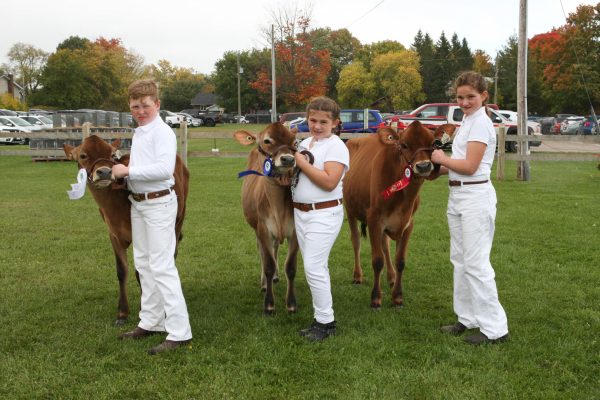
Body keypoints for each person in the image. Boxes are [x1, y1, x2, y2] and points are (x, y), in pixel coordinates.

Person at [112, 79, 192, 355]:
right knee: (143, 263)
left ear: (157, 104)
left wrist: (127, 172)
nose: (140, 110)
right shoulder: (140, 133)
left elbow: (164, 170)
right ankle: (152, 321)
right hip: (139, 203)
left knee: (161, 266)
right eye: (135, 106)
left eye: (145, 105)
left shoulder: (163, 133)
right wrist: (122, 175)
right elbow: (141, 166)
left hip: (159, 204)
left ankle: (180, 332)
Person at [430, 71, 509, 345]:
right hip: (459, 196)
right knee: (460, 260)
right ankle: (467, 318)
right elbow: (459, 164)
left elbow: (471, 166)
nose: (464, 102)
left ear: (484, 96)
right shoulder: (467, 121)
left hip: (476, 197)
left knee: (476, 263)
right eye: (460, 97)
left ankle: (495, 329)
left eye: (470, 97)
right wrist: (434, 169)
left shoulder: (481, 124)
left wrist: (442, 158)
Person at [292, 96, 349, 342]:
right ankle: (321, 318)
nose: (317, 126)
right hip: (301, 212)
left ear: (335, 123)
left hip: (324, 213)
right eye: (312, 120)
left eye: (323, 122)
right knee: (315, 267)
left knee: (313, 267)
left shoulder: (336, 146)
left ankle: (326, 322)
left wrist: (301, 164)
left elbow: (329, 182)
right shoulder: (306, 143)